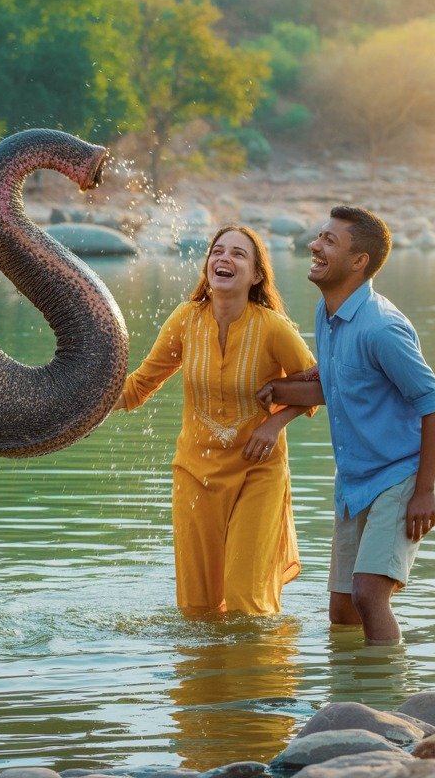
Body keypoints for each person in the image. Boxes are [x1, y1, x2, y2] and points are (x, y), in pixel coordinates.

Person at [258, 206, 435, 645]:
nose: (314, 245)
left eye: (328, 241)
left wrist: (423, 491)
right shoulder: (326, 317)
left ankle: (390, 702)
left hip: (401, 476)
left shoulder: (381, 328)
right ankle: (350, 700)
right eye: (319, 237)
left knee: (368, 594)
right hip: (355, 481)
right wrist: (277, 390)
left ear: (358, 261)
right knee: (342, 610)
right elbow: (340, 387)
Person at [115, 225, 316, 616]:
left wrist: (274, 424)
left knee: (246, 602)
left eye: (238, 254)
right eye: (217, 251)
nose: (224, 258)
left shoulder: (274, 328)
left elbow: (320, 387)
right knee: (197, 607)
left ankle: (258, 675)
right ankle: (205, 678)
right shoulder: (186, 320)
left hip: (257, 472)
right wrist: (76, 407)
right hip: (195, 474)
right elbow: (138, 387)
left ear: (256, 276)